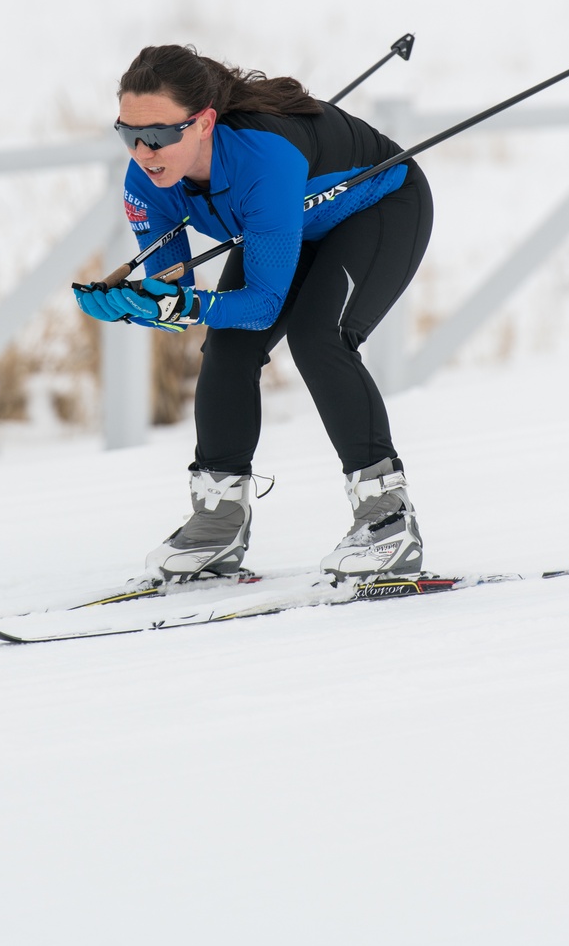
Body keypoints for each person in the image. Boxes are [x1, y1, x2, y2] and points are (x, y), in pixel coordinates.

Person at [74, 44, 434, 582]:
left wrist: (179, 304)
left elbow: (261, 304)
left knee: (320, 339)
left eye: (162, 135)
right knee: (227, 348)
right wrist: (139, 308)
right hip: (284, 226)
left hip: (377, 208)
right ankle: (218, 524)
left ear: (204, 124)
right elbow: (182, 300)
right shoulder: (145, 187)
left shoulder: (263, 160)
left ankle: (388, 522)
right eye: (129, 135)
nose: (146, 151)